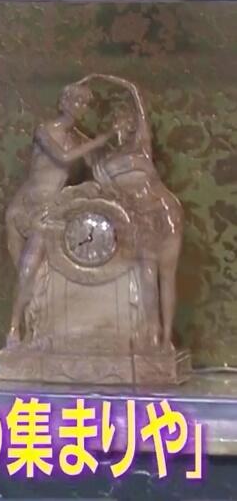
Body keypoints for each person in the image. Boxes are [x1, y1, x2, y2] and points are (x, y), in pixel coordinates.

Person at [4, 82, 112, 344]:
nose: (80, 107)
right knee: (26, 268)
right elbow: (63, 157)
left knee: (32, 268)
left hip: (50, 207)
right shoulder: (44, 130)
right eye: (76, 101)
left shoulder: (79, 138)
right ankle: (17, 327)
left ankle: (25, 327)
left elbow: (96, 163)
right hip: (26, 206)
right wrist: (99, 140)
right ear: (63, 102)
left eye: (84, 103)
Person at [85, 75, 183, 348]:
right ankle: (153, 334)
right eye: (116, 119)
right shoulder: (103, 161)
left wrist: (102, 78)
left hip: (163, 211)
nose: (121, 123)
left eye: (125, 119)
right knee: (147, 276)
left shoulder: (141, 144)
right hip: (137, 218)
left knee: (167, 275)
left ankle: (167, 337)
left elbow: (135, 92)